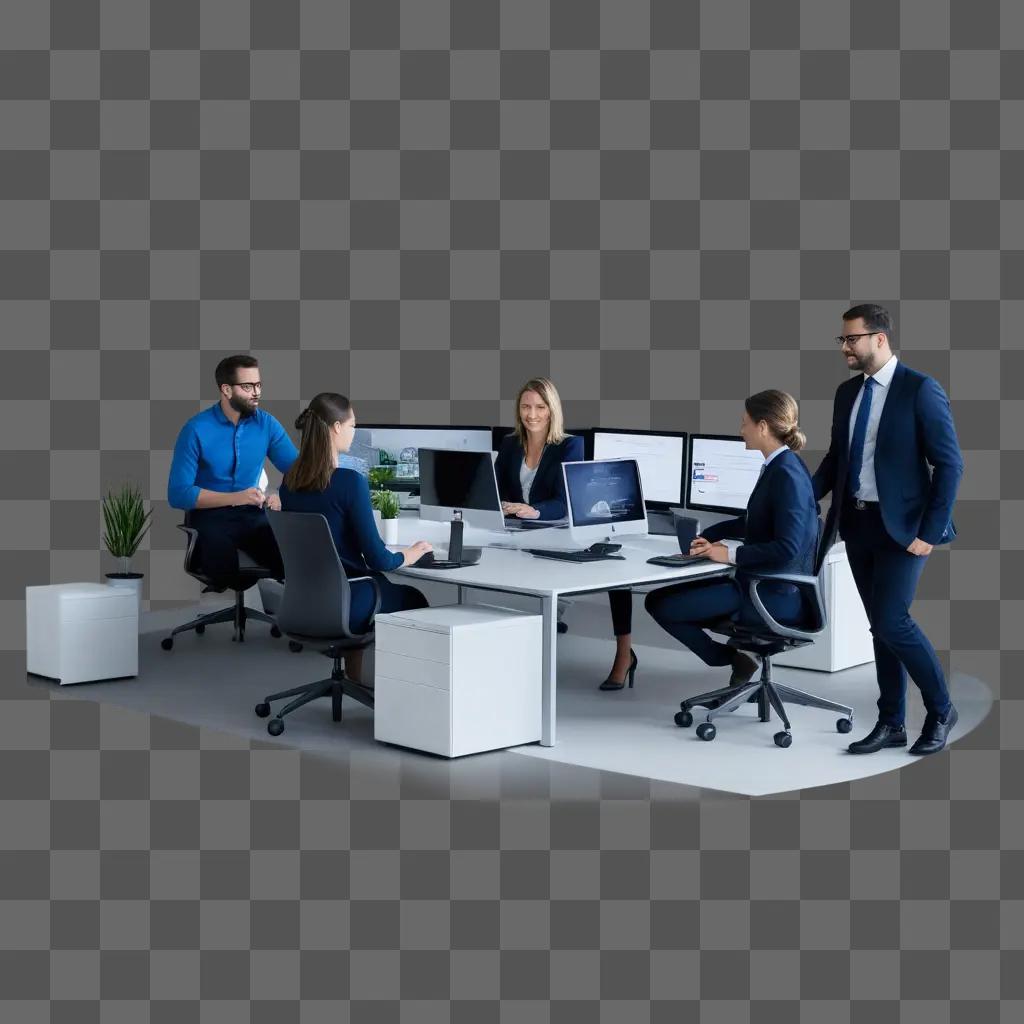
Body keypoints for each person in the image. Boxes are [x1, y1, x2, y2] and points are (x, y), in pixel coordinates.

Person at [814, 304, 963, 756]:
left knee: (892, 622)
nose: (844, 347)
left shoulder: (920, 389)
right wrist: (799, 493)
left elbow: (950, 464)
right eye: (842, 340)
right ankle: (891, 721)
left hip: (904, 529)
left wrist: (930, 532)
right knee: (879, 628)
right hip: (857, 522)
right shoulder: (847, 393)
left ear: (879, 338)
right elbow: (837, 458)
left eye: (851, 339)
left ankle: (940, 710)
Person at [645, 391, 817, 693]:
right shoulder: (783, 466)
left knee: (660, 604)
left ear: (763, 427)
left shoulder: (786, 475)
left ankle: (730, 657)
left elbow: (788, 548)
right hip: (763, 584)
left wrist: (730, 555)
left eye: (744, 423)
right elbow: (753, 521)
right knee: (665, 598)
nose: (741, 430)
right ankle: (741, 657)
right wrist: (709, 537)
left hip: (768, 593)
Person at [278, 393, 432, 682]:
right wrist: (408, 555)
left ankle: (354, 679)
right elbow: (378, 558)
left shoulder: (290, 482)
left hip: (300, 602)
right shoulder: (349, 482)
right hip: (346, 601)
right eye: (352, 425)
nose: (354, 432)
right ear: (336, 427)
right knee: (413, 598)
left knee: (371, 586)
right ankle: (401, 694)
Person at [167, 354, 297, 581]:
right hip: (209, 516)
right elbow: (178, 494)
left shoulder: (266, 424)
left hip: (252, 515)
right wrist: (238, 497)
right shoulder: (196, 429)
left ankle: (290, 612)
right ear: (226, 390)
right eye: (247, 386)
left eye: (258, 385)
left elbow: (298, 471)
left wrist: (279, 494)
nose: (256, 392)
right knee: (222, 565)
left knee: (293, 553)